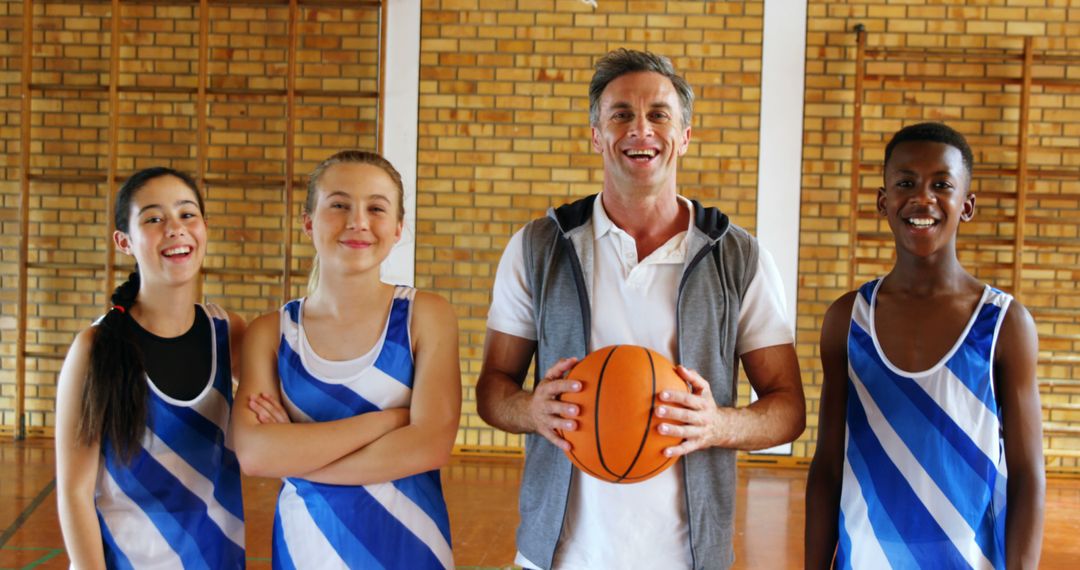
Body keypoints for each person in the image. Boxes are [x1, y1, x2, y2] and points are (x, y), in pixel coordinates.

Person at [476, 48, 806, 570]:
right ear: (596, 135)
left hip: (688, 556)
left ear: (685, 136)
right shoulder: (539, 247)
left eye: (659, 114)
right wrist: (531, 409)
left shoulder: (738, 256)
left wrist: (717, 425)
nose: (640, 129)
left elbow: (788, 410)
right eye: (621, 114)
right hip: (559, 555)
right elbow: (493, 391)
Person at [805, 122, 1045, 569]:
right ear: (883, 200)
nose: (923, 198)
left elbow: (1029, 475)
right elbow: (826, 468)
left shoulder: (1004, 324)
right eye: (906, 183)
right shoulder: (848, 319)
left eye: (942, 185)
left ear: (967, 205)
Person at [232, 150, 461, 569]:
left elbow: (430, 445)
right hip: (307, 549)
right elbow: (254, 454)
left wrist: (298, 458)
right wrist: (390, 421)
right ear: (308, 222)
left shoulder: (426, 316)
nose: (358, 221)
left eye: (376, 207)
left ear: (397, 228)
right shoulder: (271, 332)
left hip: (411, 548)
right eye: (338, 205)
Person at [55, 167, 247, 568]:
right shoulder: (95, 347)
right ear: (124, 241)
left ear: (204, 228)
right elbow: (75, 491)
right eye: (154, 219)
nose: (175, 228)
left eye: (187, 214)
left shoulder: (229, 333)